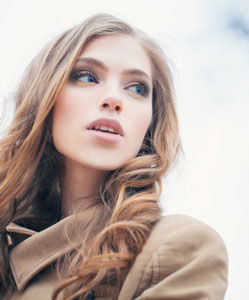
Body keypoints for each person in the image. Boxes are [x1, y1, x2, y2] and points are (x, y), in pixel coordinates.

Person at [0, 13, 228, 300]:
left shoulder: (179, 246)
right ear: (44, 99)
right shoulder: (9, 251)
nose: (114, 99)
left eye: (136, 88)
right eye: (87, 77)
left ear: (150, 124)